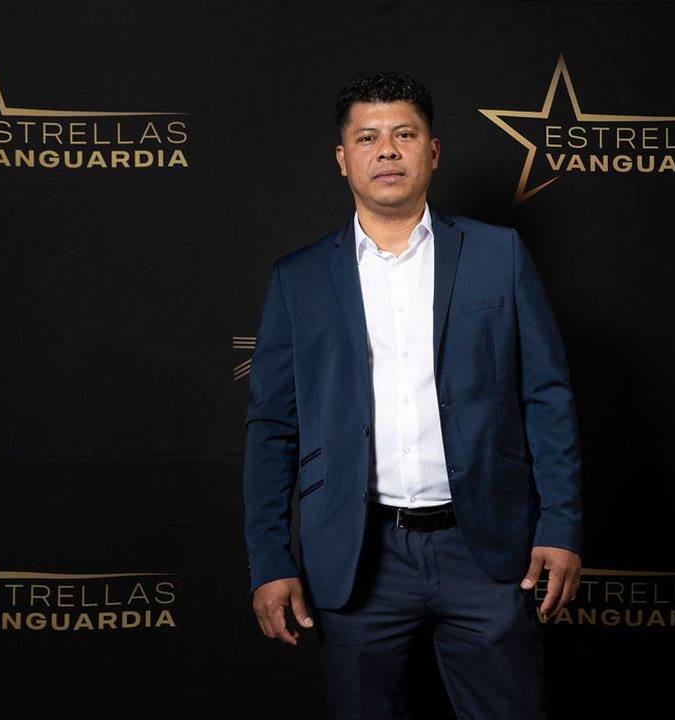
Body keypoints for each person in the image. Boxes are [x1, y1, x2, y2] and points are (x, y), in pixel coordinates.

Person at [243, 68, 584, 719]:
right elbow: (272, 429)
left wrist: (561, 524)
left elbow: (547, 397)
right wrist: (269, 559)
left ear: (433, 151)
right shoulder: (299, 280)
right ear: (343, 159)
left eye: (404, 134)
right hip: (357, 556)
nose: (387, 151)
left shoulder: (499, 255)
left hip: (485, 549)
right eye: (367, 137)